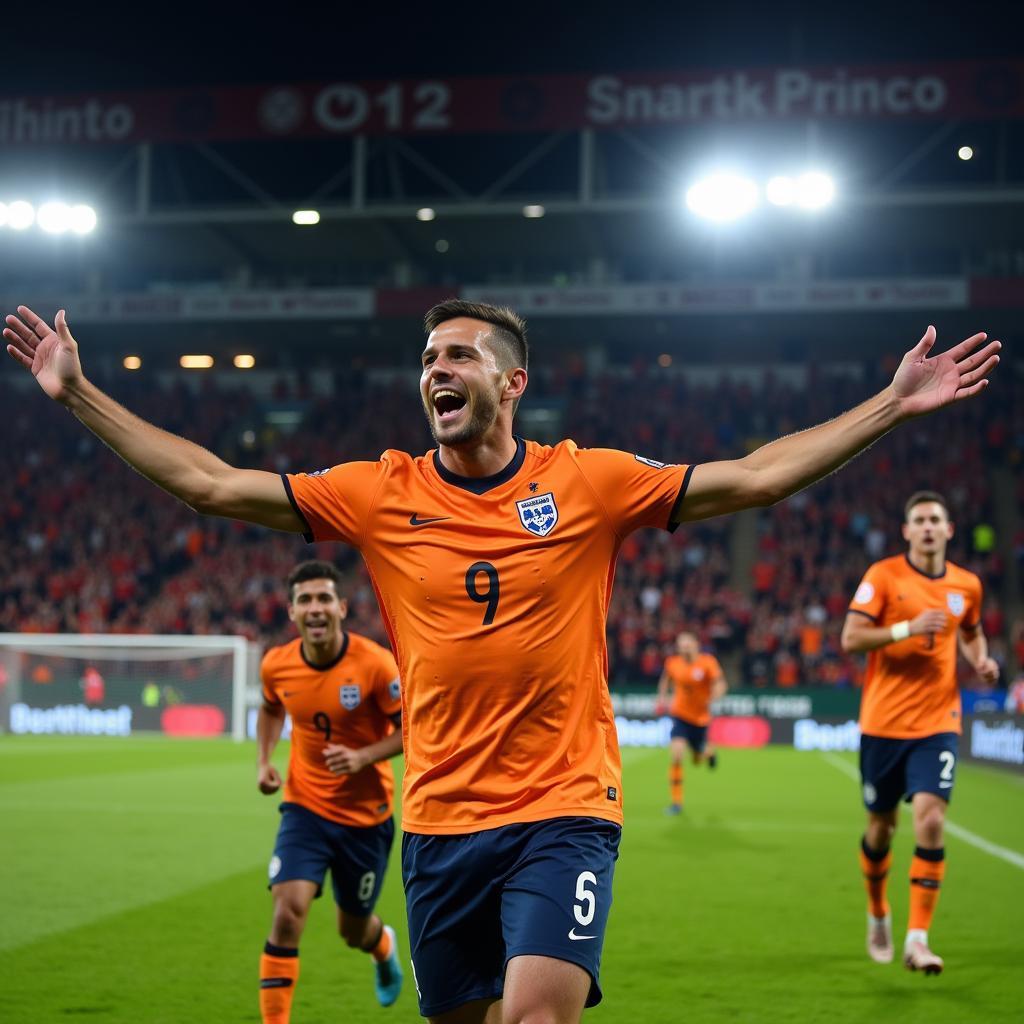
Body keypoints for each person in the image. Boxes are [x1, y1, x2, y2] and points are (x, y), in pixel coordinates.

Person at [4, 299, 999, 1024]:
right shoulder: (375, 492)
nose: (436, 370)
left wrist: (885, 407)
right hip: (436, 825)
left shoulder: (589, 481)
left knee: (535, 1015)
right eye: (428, 357)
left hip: (562, 812)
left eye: (460, 356)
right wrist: (79, 393)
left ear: (510, 381)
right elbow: (211, 483)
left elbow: (753, 478)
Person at [841, 491, 999, 975]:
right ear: (906, 531)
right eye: (919, 520)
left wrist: (980, 660)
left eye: (936, 519)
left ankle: (918, 940)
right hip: (883, 725)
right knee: (882, 828)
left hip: (937, 723)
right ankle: (877, 912)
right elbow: (850, 639)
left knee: (930, 820)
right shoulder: (884, 576)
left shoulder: (966, 585)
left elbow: (970, 630)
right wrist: (904, 628)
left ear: (949, 530)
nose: (928, 527)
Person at [256, 559, 404, 1022]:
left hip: (366, 818)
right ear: (291, 612)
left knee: (352, 931)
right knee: (287, 911)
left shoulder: (376, 665)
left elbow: (415, 730)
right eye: (305, 600)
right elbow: (269, 709)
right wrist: (264, 760)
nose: (315, 608)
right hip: (305, 808)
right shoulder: (277, 664)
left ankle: (381, 946)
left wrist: (363, 757)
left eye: (323, 598)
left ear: (341, 607)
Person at [655, 632, 728, 813]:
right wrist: (661, 698)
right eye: (681, 644)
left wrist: (715, 695)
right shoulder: (673, 663)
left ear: (696, 644)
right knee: (677, 755)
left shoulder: (707, 662)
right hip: (679, 715)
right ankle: (676, 802)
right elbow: (665, 679)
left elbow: (720, 683)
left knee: (697, 759)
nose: (684, 646)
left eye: (687, 643)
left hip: (700, 719)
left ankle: (710, 754)